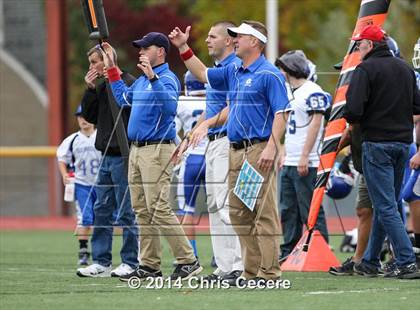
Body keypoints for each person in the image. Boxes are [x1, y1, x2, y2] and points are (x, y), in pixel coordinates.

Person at [169, 20, 289, 283]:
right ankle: (250, 270)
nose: (234, 39)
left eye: (240, 36)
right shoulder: (236, 72)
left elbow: (282, 113)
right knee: (238, 211)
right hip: (237, 151)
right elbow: (202, 74)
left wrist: (271, 147)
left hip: (257, 150)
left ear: (255, 42)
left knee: (262, 213)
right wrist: (183, 48)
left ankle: (269, 273)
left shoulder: (269, 74)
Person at [101, 32, 202, 281]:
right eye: (140, 47)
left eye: (146, 47)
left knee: (158, 207)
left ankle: (188, 260)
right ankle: (149, 265)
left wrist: (153, 78)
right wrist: (112, 68)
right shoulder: (144, 81)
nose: (141, 51)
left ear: (161, 51)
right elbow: (124, 98)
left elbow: (169, 107)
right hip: (138, 149)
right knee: (142, 210)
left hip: (157, 149)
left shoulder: (166, 78)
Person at [343, 25, 420, 279]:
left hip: (376, 143)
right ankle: (370, 261)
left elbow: (352, 111)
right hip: (402, 144)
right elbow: (417, 107)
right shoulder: (405, 68)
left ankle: (407, 261)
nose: (357, 49)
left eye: (359, 45)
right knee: (387, 203)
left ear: (370, 45)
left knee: (385, 205)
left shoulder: (365, 69)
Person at [173, 21, 243, 283]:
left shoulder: (235, 67)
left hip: (228, 141)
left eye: (213, 36)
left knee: (227, 206)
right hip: (213, 143)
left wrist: (208, 124)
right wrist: (190, 137)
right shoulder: (220, 68)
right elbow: (211, 104)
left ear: (228, 41)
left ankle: (239, 265)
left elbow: (232, 107)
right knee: (214, 207)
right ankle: (224, 267)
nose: (208, 40)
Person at [77, 46, 139, 278]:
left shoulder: (129, 82)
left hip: (124, 156)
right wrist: (90, 90)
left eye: (95, 62)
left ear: (108, 60)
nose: (92, 67)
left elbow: (130, 113)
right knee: (101, 209)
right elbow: (90, 117)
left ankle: (130, 261)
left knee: (126, 212)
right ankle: (101, 262)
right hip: (105, 156)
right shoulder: (100, 86)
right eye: (91, 63)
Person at [275, 50, 330, 262]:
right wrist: (284, 152)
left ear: (290, 68)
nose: (280, 72)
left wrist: (305, 155)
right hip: (291, 158)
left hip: (307, 159)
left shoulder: (312, 91)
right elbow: (290, 127)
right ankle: (289, 250)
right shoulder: (291, 92)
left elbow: (316, 123)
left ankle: (320, 247)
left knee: (310, 207)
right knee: (288, 208)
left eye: (282, 68)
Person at [57, 105, 101, 266]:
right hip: (82, 184)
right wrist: (64, 175)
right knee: (85, 219)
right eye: (80, 117)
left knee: (109, 219)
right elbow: (62, 158)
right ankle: (83, 251)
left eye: (86, 116)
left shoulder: (102, 136)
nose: (83, 120)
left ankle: (103, 252)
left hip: (102, 185)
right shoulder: (72, 140)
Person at [174, 71, 208, 259]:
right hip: (211, 157)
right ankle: (221, 256)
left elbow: (173, 130)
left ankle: (191, 255)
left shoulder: (182, 103)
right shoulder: (214, 99)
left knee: (187, 209)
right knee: (220, 211)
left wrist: (180, 148)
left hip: (191, 159)